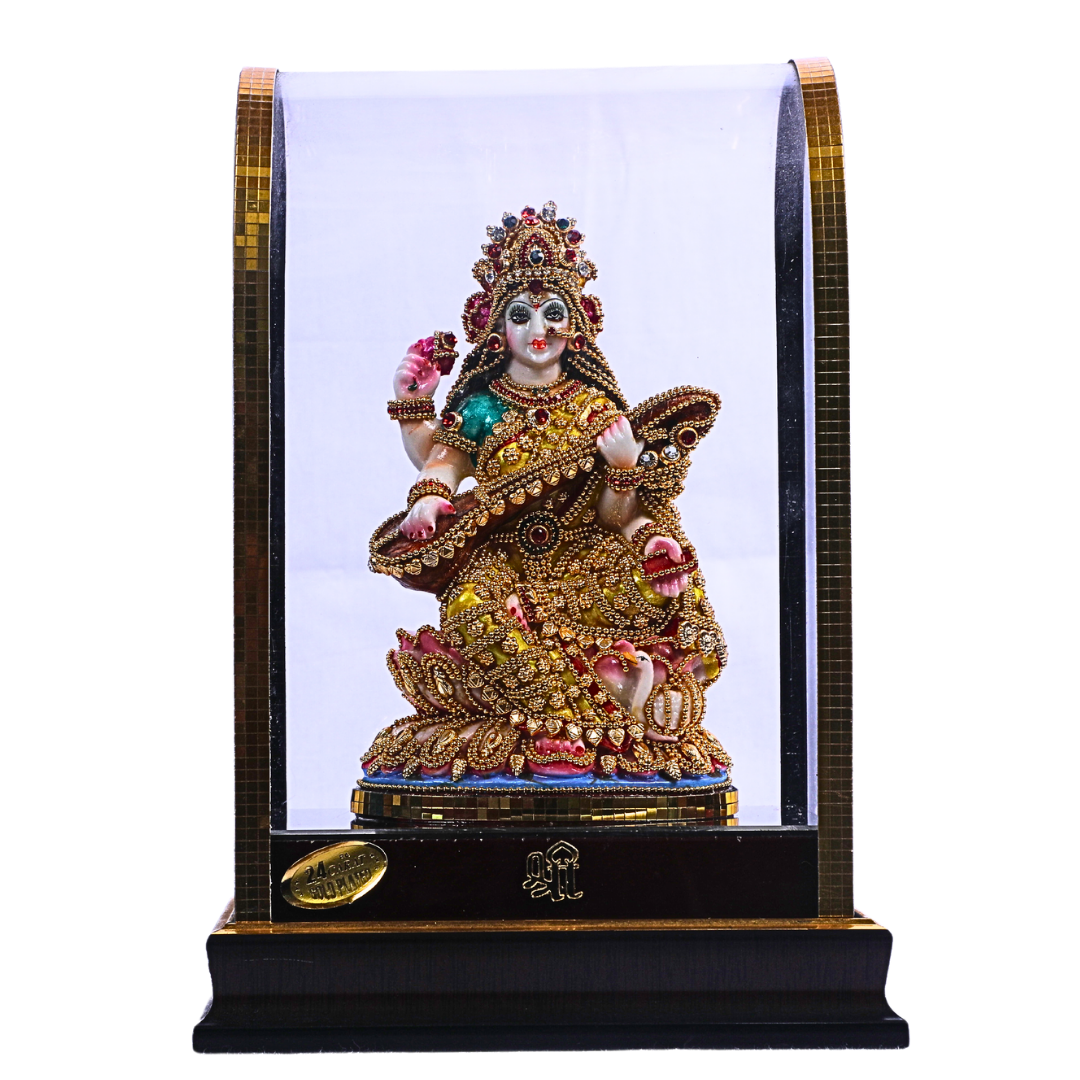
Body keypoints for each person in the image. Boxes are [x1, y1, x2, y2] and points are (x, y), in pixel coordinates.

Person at [363, 203, 732, 790]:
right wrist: (425, 472)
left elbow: (617, 515)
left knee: (666, 582)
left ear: (576, 325)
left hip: (582, 561)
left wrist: (624, 475)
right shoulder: (483, 404)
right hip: (501, 559)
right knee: (472, 608)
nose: (539, 329)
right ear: (497, 328)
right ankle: (599, 702)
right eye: (521, 314)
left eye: (554, 313)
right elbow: (445, 459)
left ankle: (571, 697)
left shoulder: (595, 407)